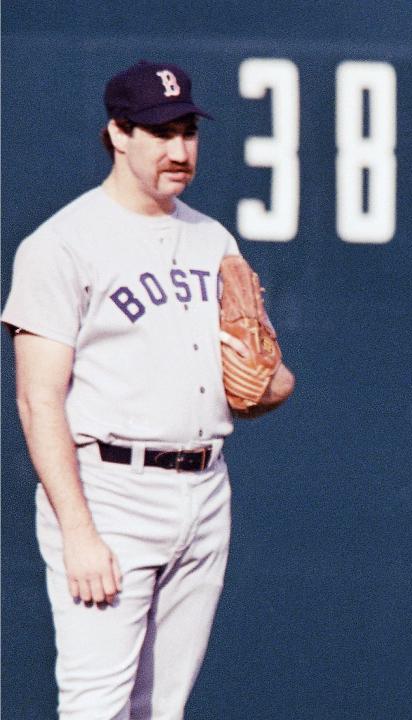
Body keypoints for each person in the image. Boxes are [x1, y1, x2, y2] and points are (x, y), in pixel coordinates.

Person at [2, 60, 295, 719]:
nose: (179, 150)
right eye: (160, 133)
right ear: (118, 133)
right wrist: (79, 531)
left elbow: (261, 382)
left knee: (160, 709)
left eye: (188, 131)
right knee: (96, 706)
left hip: (203, 488)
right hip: (109, 493)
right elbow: (37, 399)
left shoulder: (210, 237)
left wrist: (272, 384)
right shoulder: (61, 244)